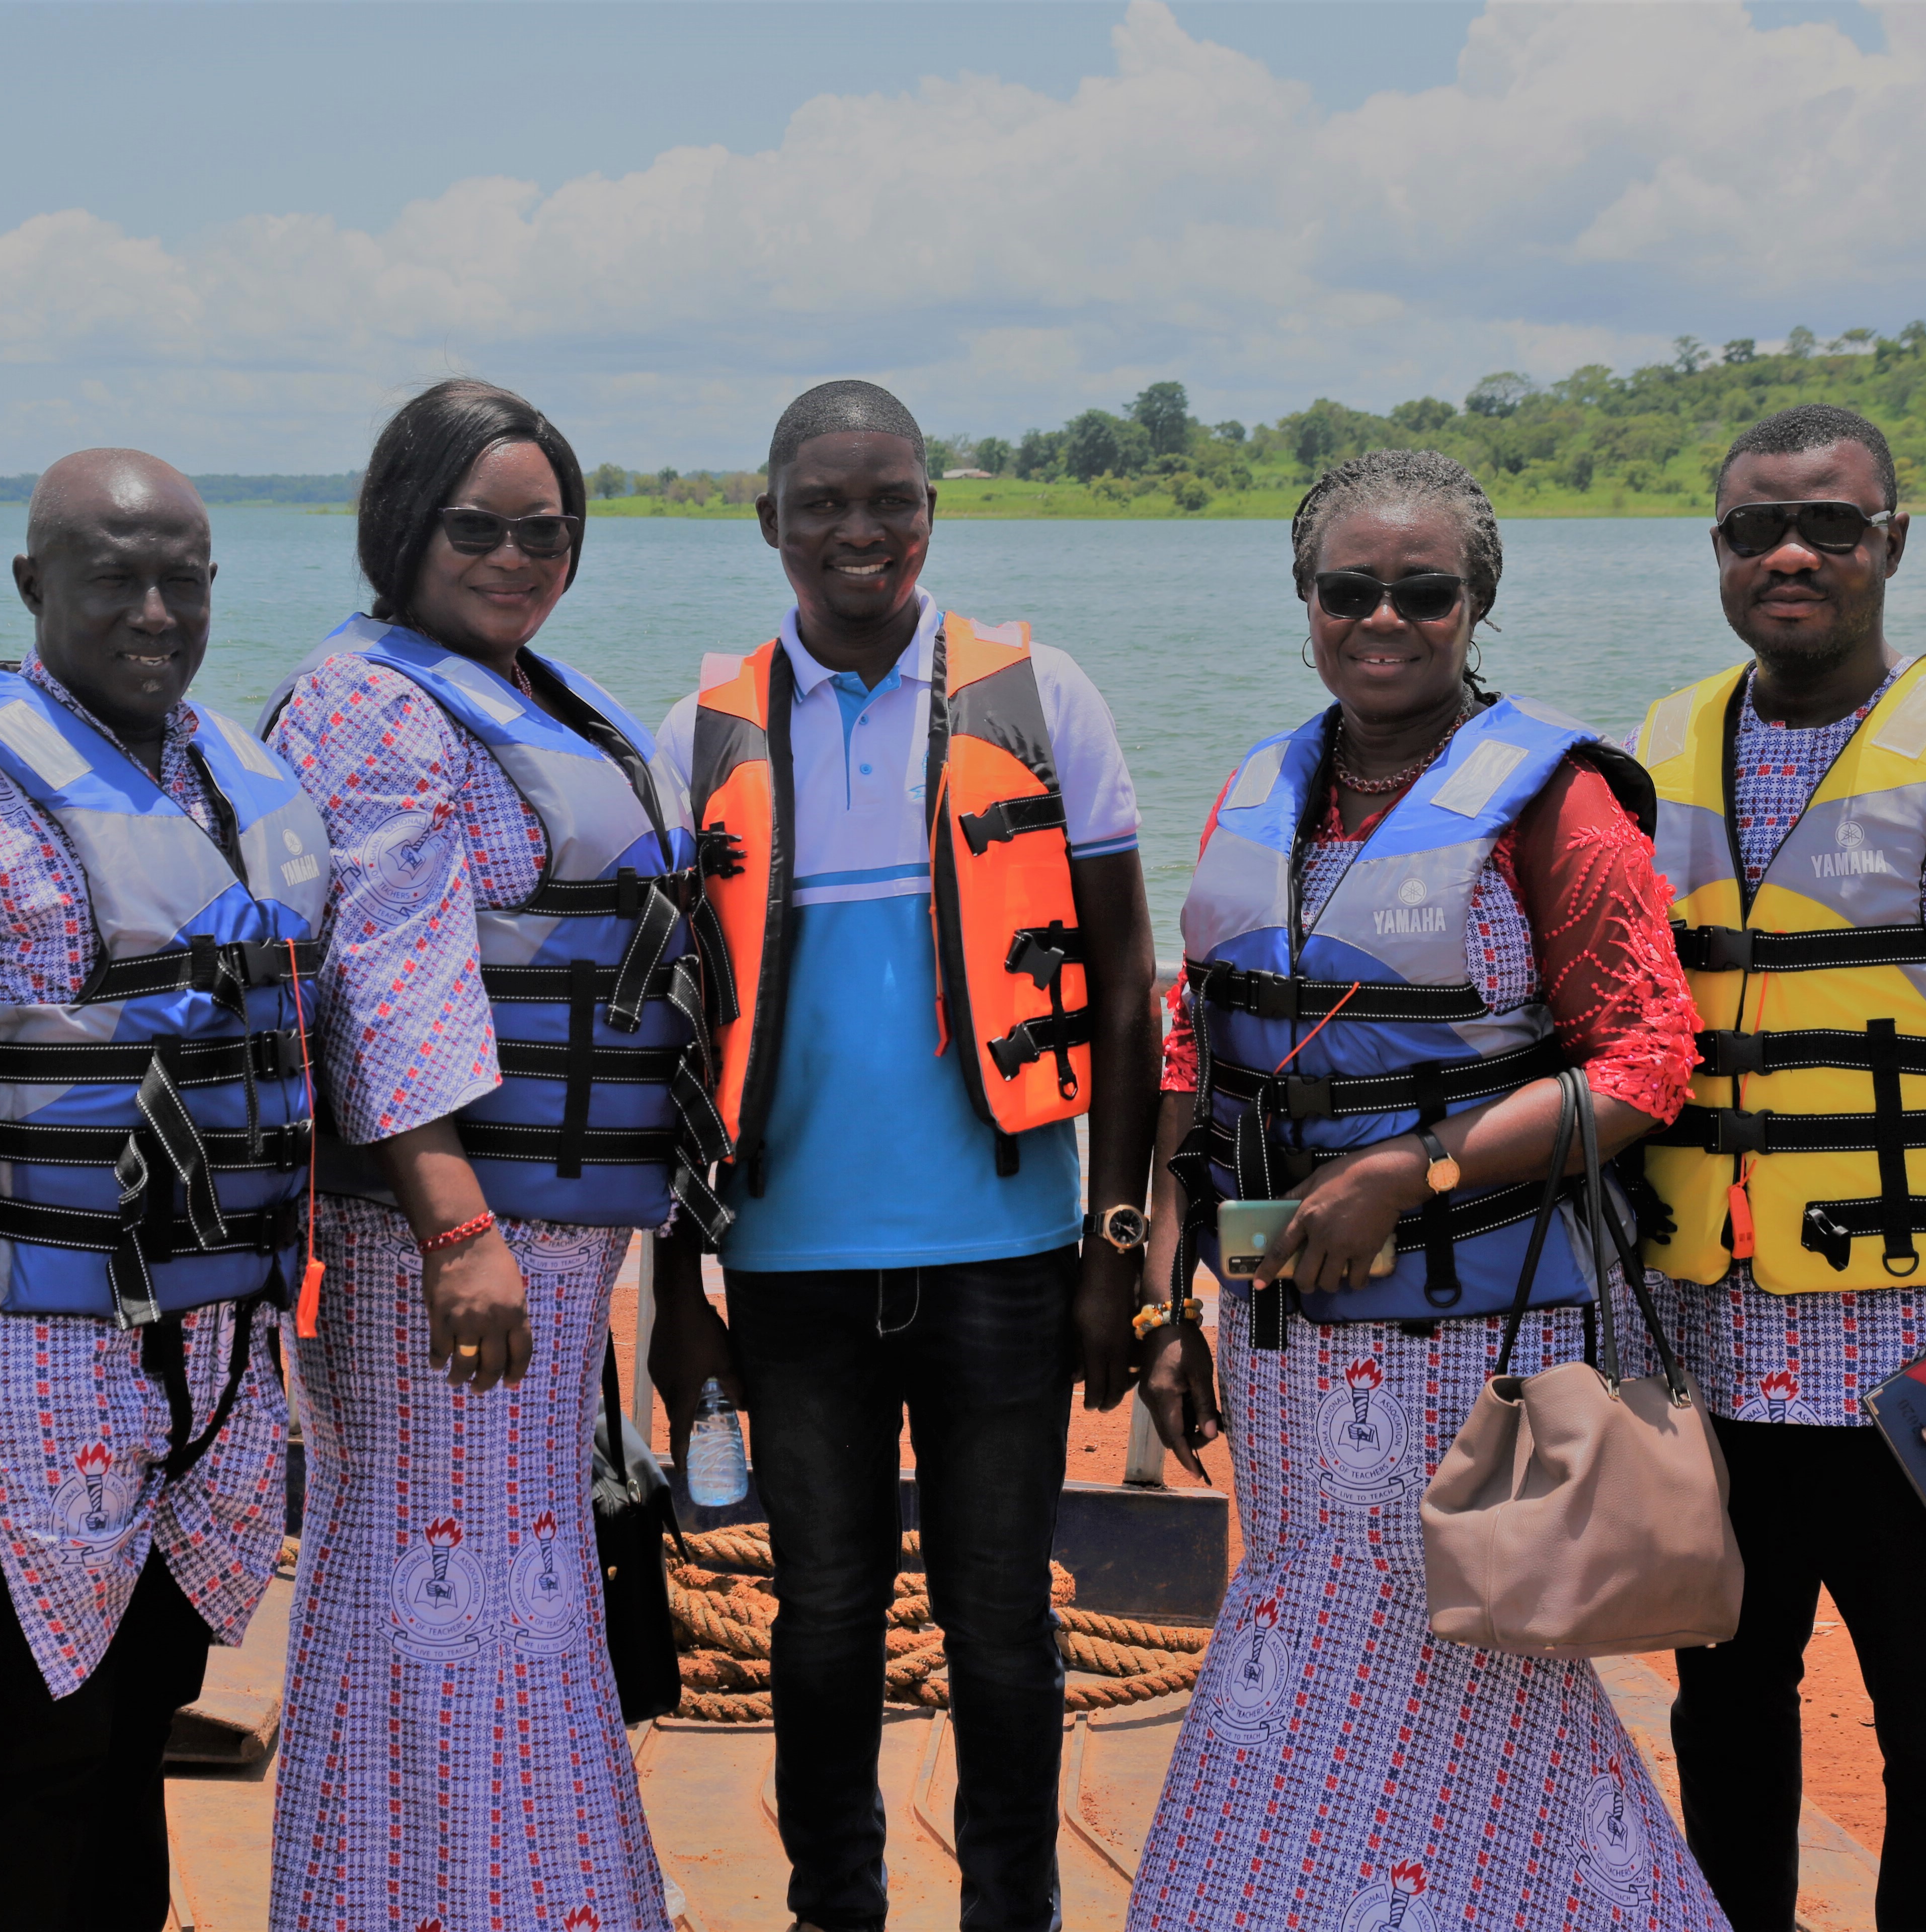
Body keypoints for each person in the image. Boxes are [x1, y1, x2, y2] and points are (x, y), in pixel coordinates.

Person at [1125, 449, 1726, 1929]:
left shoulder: (1555, 805)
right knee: (1310, 1618)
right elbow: (1200, 1041)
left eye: (1425, 592)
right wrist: (1160, 1296)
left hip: (1483, 1330)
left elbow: (1647, 1059)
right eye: (1349, 589)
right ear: (1305, 597)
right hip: (1278, 1328)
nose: (1383, 619)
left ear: (1481, 605)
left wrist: (1416, 1165)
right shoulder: (1259, 787)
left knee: (1469, 1637)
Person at [644, 379, 1157, 1931]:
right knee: (823, 1621)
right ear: (771, 522)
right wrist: (678, 1291)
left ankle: (1017, 1912)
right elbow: (666, 1041)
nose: (861, 532)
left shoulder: (1039, 694)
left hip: (1005, 1258)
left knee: (1003, 1620)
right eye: (825, 503)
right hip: (790, 1266)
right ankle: (836, 1913)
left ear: (934, 511)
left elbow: (1130, 988)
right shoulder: (705, 731)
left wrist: (1114, 1251)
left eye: (893, 500)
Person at [1636, 405, 1926, 1932]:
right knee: (1725, 1719)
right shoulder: (1652, 765)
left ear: (1892, 541)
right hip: (1711, 1357)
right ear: (1716, 553)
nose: (1793, 555)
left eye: (1832, 527)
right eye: (1757, 530)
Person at [0, 451, 315, 1931]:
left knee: (147, 1706)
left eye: (185, 577)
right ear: (34, 584)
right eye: (114, 576)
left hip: (222, 1357)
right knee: (27, 1728)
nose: (154, 610)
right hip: (29, 1355)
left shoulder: (244, 778)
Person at [257, 378, 706, 1930]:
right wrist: (458, 1231)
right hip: (439, 1242)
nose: (516, 558)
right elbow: (384, 974)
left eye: (546, 531)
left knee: (529, 1586)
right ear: (402, 527)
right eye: (477, 529)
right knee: (424, 1574)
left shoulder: (540, 689)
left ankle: (535, 1893)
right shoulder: (371, 704)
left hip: (557, 1236)